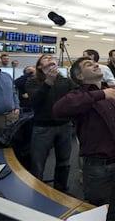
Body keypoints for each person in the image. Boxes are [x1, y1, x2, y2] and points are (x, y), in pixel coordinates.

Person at [53, 57, 115, 205]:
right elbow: (58, 109)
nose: (96, 65)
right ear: (80, 76)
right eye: (89, 64)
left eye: (95, 63)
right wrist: (101, 94)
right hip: (98, 168)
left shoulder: (113, 93)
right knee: (100, 210)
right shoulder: (79, 96)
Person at [25, 54, 75, 192]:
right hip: (43, 127)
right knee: (38, 162)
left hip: (64, 125)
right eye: (45, 58)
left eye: (51, 57)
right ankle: (36, 190)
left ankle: (61, 189)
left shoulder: (65, 81)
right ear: (40, 66)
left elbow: (75, 98)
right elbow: (35, 102)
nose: (50, 58)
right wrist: (48, 82)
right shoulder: (32, 81)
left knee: (64, 161)